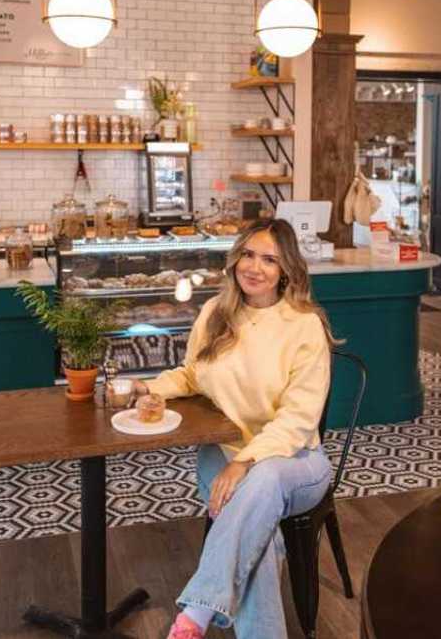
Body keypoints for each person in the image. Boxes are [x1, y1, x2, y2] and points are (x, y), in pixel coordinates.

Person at [132, 218, 340, 639]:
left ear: (287, 270)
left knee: (260, 481)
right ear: (234, 259)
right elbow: (192, 376)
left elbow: (298, 421)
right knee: (257, 535)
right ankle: (205, 617)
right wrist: (149, 387)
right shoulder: (215, 313)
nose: (254, 267)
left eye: (269, 259)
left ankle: (195, 613)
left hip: (295, 462)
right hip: (222, 453)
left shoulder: (303, 325)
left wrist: (244, 462)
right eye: (248, 254)